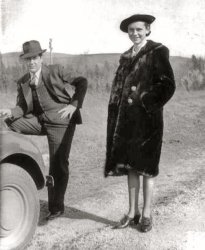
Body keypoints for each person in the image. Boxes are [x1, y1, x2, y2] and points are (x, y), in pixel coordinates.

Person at [0, 40, 87, 220]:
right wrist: (11, 112)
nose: (31, 62)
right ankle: (16, 168)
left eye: (35, 58)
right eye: (28, 59)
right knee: (8, 122)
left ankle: (56, 208)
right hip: (39, 122)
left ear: (41, 57)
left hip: (61, 123)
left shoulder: (55, 70)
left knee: (58, 163)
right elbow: (22, 108)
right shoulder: (24, 81)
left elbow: (82, 82)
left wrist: (74, 106)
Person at [105, 14, 175, 232]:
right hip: (126, 123)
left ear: (147, 30)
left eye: (139, 30)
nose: (135, 33)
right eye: (131, 30)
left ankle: (146, 214)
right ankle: (132, 212)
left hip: (148, 123)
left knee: (147, 169)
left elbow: (167, 85)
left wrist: (145, 100)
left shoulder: (157, 52)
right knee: (131, 168)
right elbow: (118, 90)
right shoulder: (126, 57)